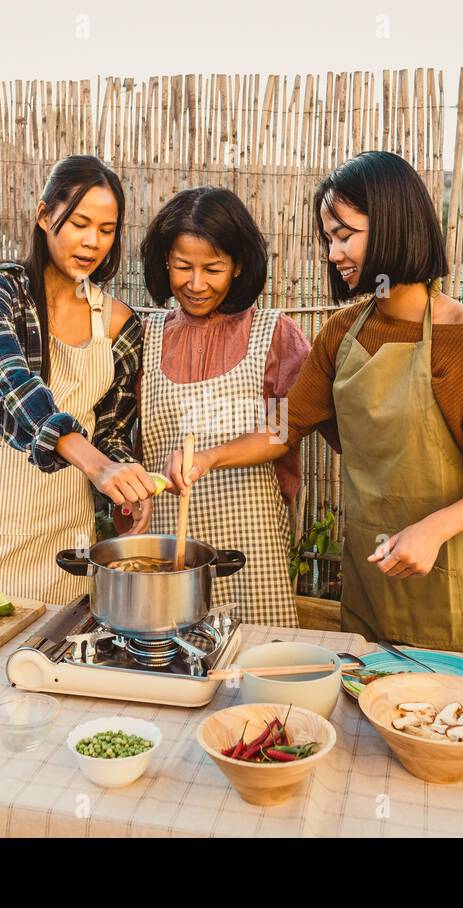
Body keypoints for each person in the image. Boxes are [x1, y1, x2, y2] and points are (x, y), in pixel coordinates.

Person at [164, 151, 463, 653]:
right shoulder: (342, 334)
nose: (333, 253)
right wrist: (209, 457)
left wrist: (431, 531)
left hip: (445, 585)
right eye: (328, 239)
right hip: (367, 579)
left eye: (345, 235)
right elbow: (285, 426)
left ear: (391, 224)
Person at [0, 155, 154, 604]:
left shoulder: (122, 324)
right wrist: (97, 465)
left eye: (106, 230)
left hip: (60, 526)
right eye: (79, 223)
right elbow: (8, 381)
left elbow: (112, 432)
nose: (92, 242)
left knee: (48, 657)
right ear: (45, 216)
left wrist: (124, 483)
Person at [138, 187, 310, 627]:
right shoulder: (144, 336)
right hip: (165, 548)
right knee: (170, 662)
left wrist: (210, 458)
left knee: (256, 674)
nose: (196, 285)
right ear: (164, 263)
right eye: (182, 267)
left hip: (250, 549)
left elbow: (284, 429)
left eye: (212, 268)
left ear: (238, 265)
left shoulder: (274, 334)